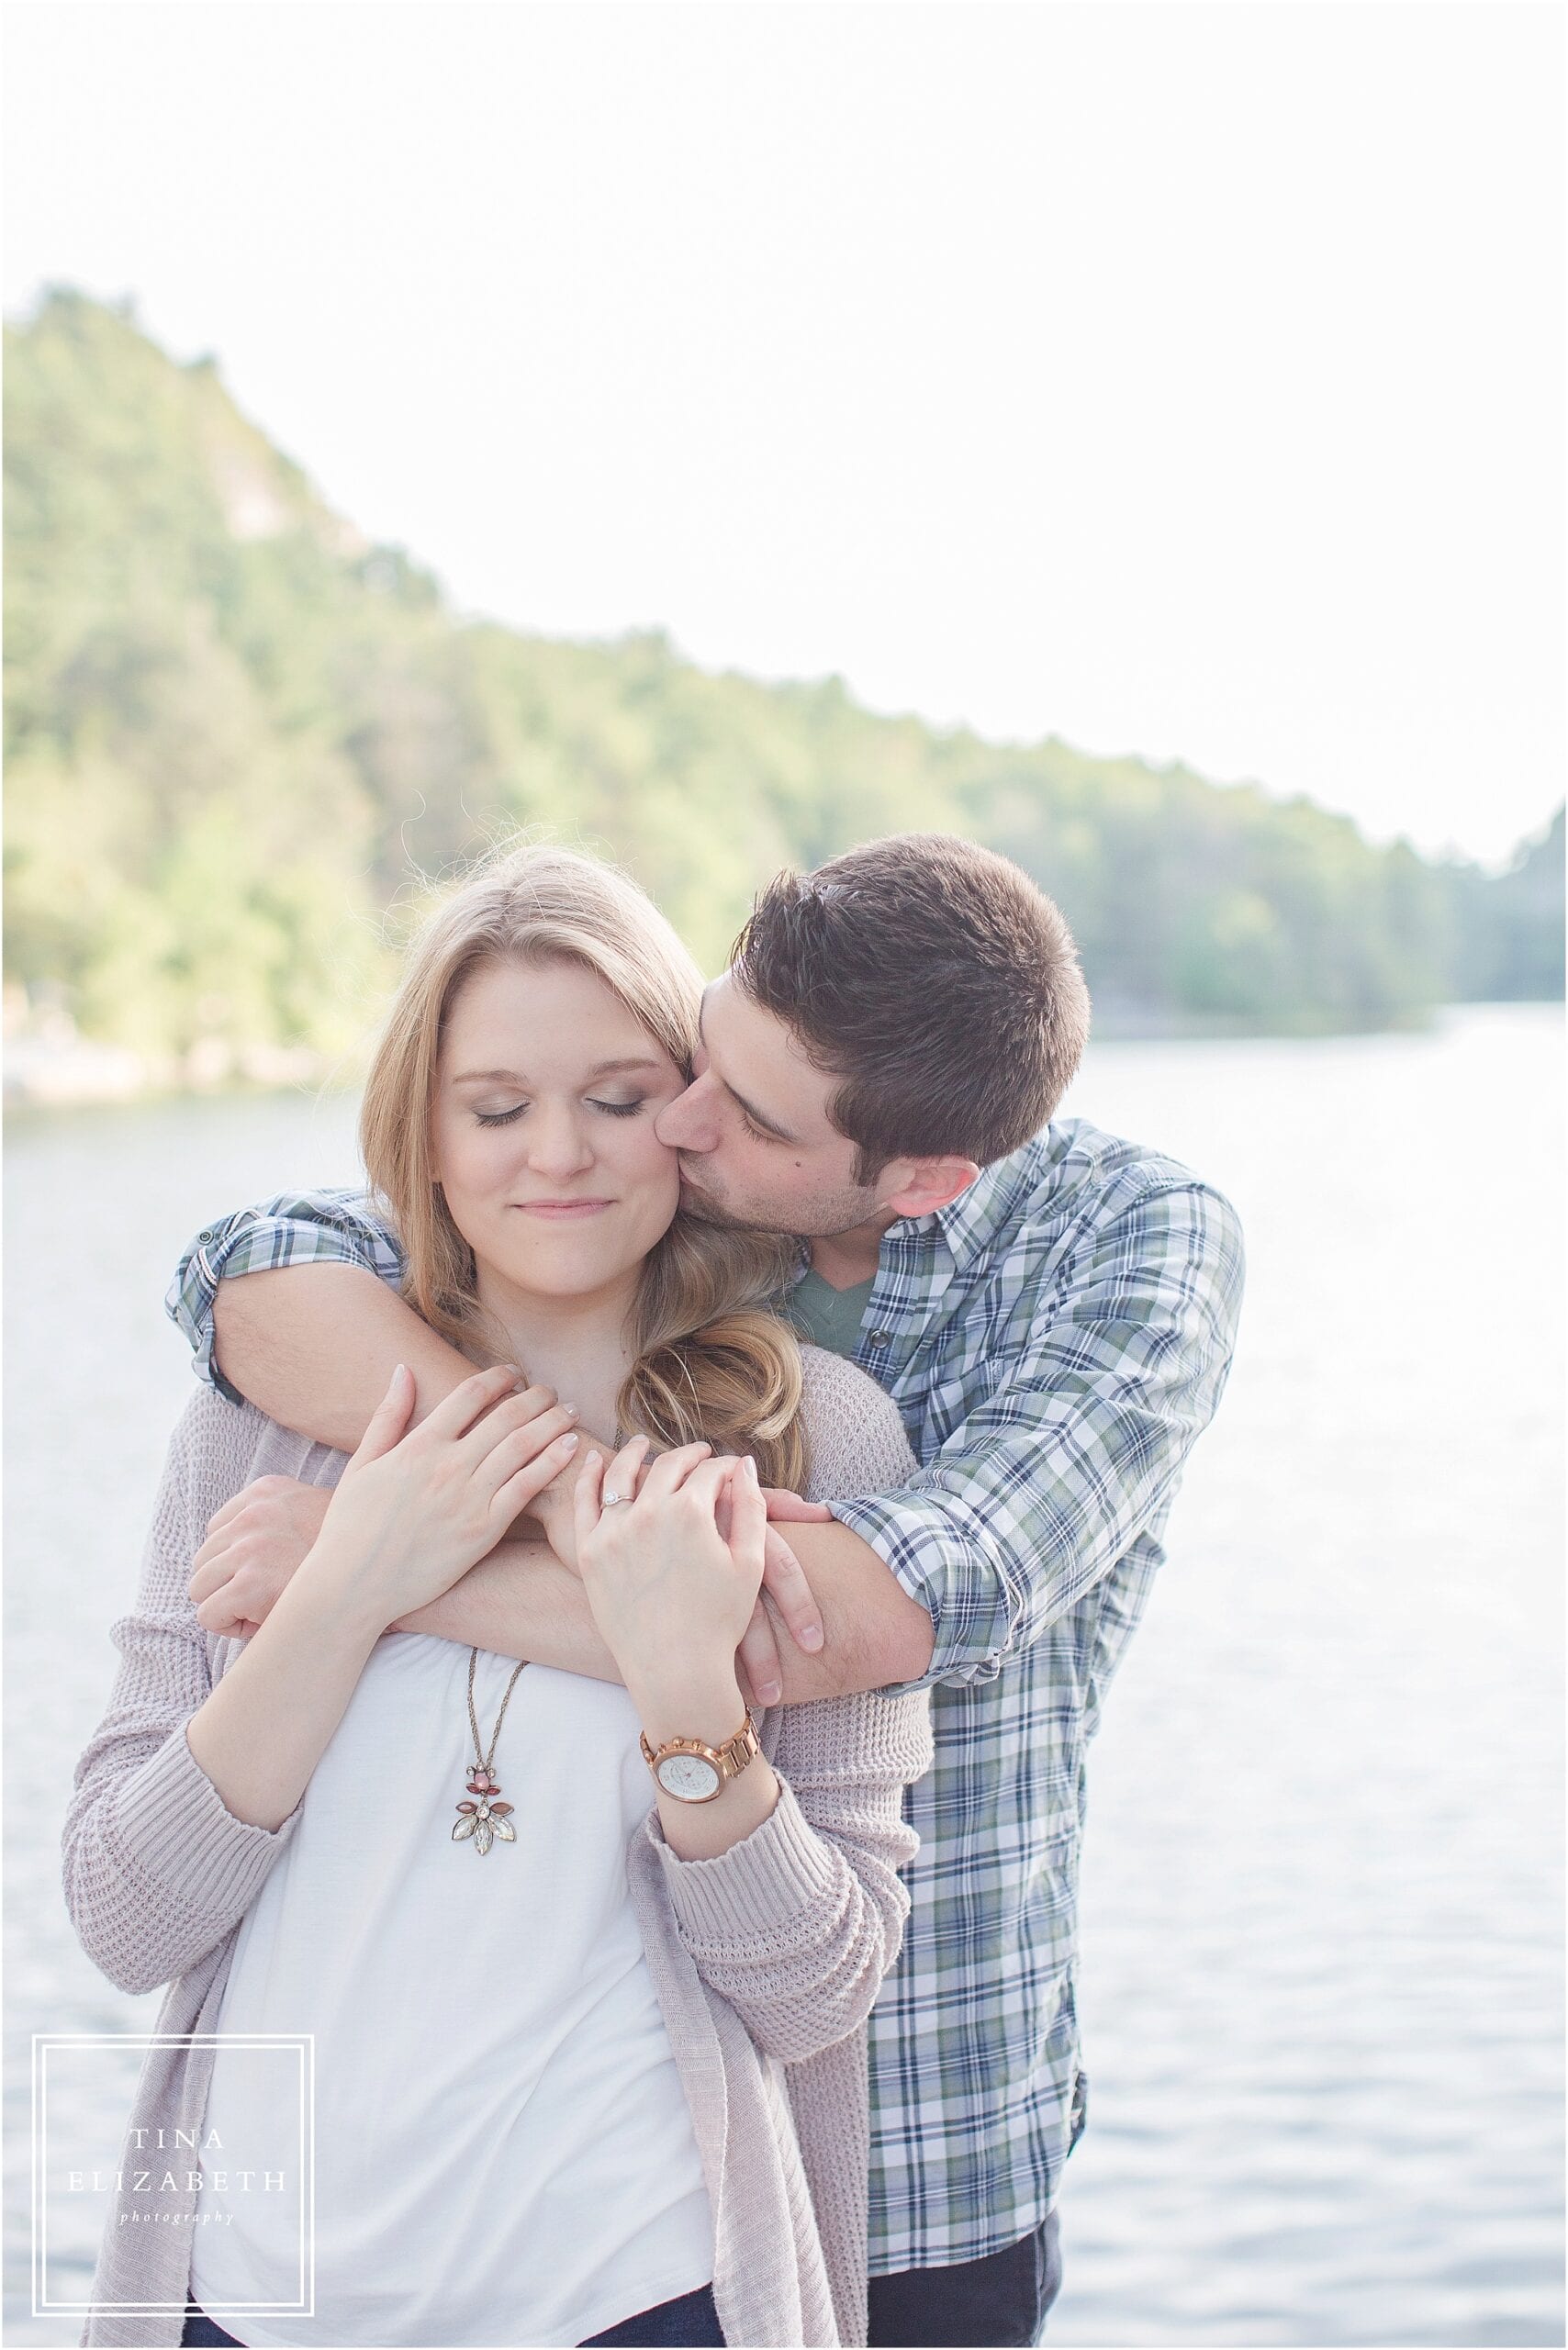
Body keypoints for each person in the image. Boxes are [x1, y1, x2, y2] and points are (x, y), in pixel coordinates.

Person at [170, 831, 1247, 2350]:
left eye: (735, 1109)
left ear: (924, 1183)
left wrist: (382, 1576)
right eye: (696, 1048)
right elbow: (262, 1277)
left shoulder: (1131, 1252)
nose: (672, 1119)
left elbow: (858, 1617)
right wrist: (538, 1497)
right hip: (625, 2164)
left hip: (919, 2138)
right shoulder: (671, 1170)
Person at [64, 846, 936, 2350]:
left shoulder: (820, 1437)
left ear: (690, 1115)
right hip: (254, 2292)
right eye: (498, 1107)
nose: (560, 1156)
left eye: (615, 1099)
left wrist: (684, 1694)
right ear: (426, 1129)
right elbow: (124, 1914)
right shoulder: (262, 1417)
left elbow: (820, 1989)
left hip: (638, 2289)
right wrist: (347, 1587)